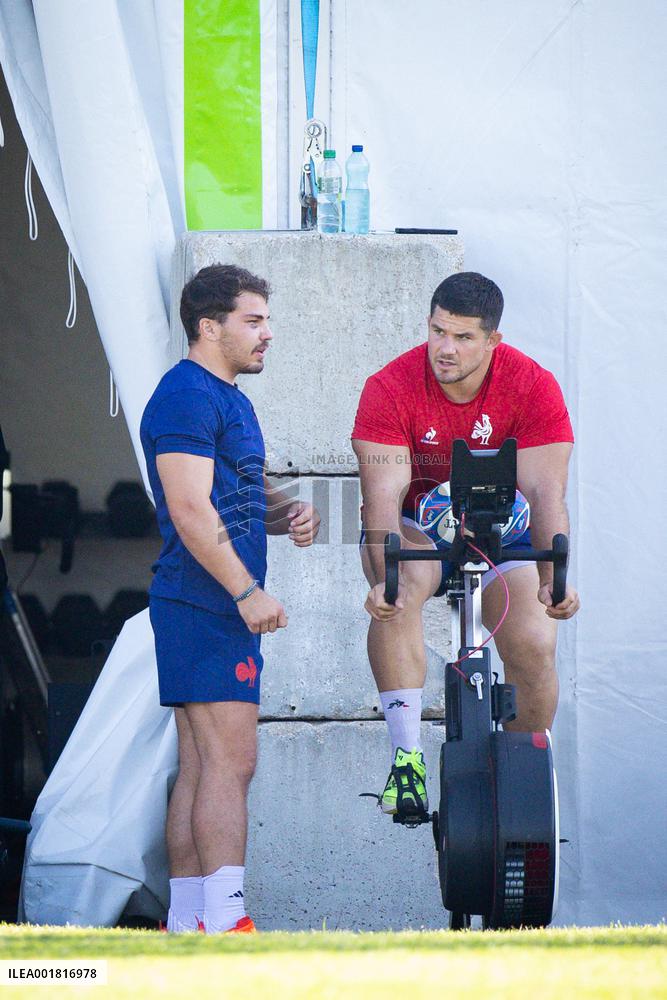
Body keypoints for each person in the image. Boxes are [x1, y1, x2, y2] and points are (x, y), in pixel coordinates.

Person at [351, 271, 580, 818]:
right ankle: (407, 761)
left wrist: (553, 583)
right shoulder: (389, 386)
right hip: (419, 527)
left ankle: (526, 771)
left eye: (463, 337)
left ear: (493, 340)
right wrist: (384, 578)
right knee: (399, 590)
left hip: (506, 532)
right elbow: (382, 499)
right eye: (437, 331)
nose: (445, 349)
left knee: (532, 638)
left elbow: (547, 494)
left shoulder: (532, 384)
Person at [140, 264, 320, 933]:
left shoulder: (229, 397)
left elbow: (228, 487)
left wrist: (286, 511)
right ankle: (226, 923)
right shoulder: (186, 394)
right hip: (205, 599)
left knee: (202, 764)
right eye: (252, 320)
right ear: (207, 325)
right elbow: (188, 507)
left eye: (266, 320)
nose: (266, 334)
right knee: (230, 761)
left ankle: (190, 922)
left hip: (206, 600)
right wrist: (245, 590)